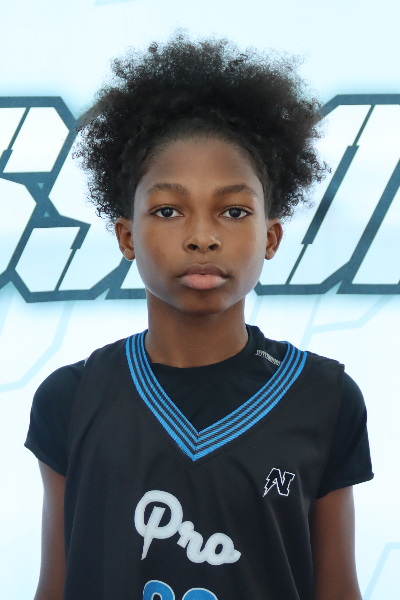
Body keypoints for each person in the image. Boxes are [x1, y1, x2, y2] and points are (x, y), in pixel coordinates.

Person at [25, 28, 374, 600]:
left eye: (233, 211)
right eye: (169, 210)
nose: (203, 237)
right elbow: (56, 588)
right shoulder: (70, 400)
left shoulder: (325, 399)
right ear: (126, 235)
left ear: (271, 236)